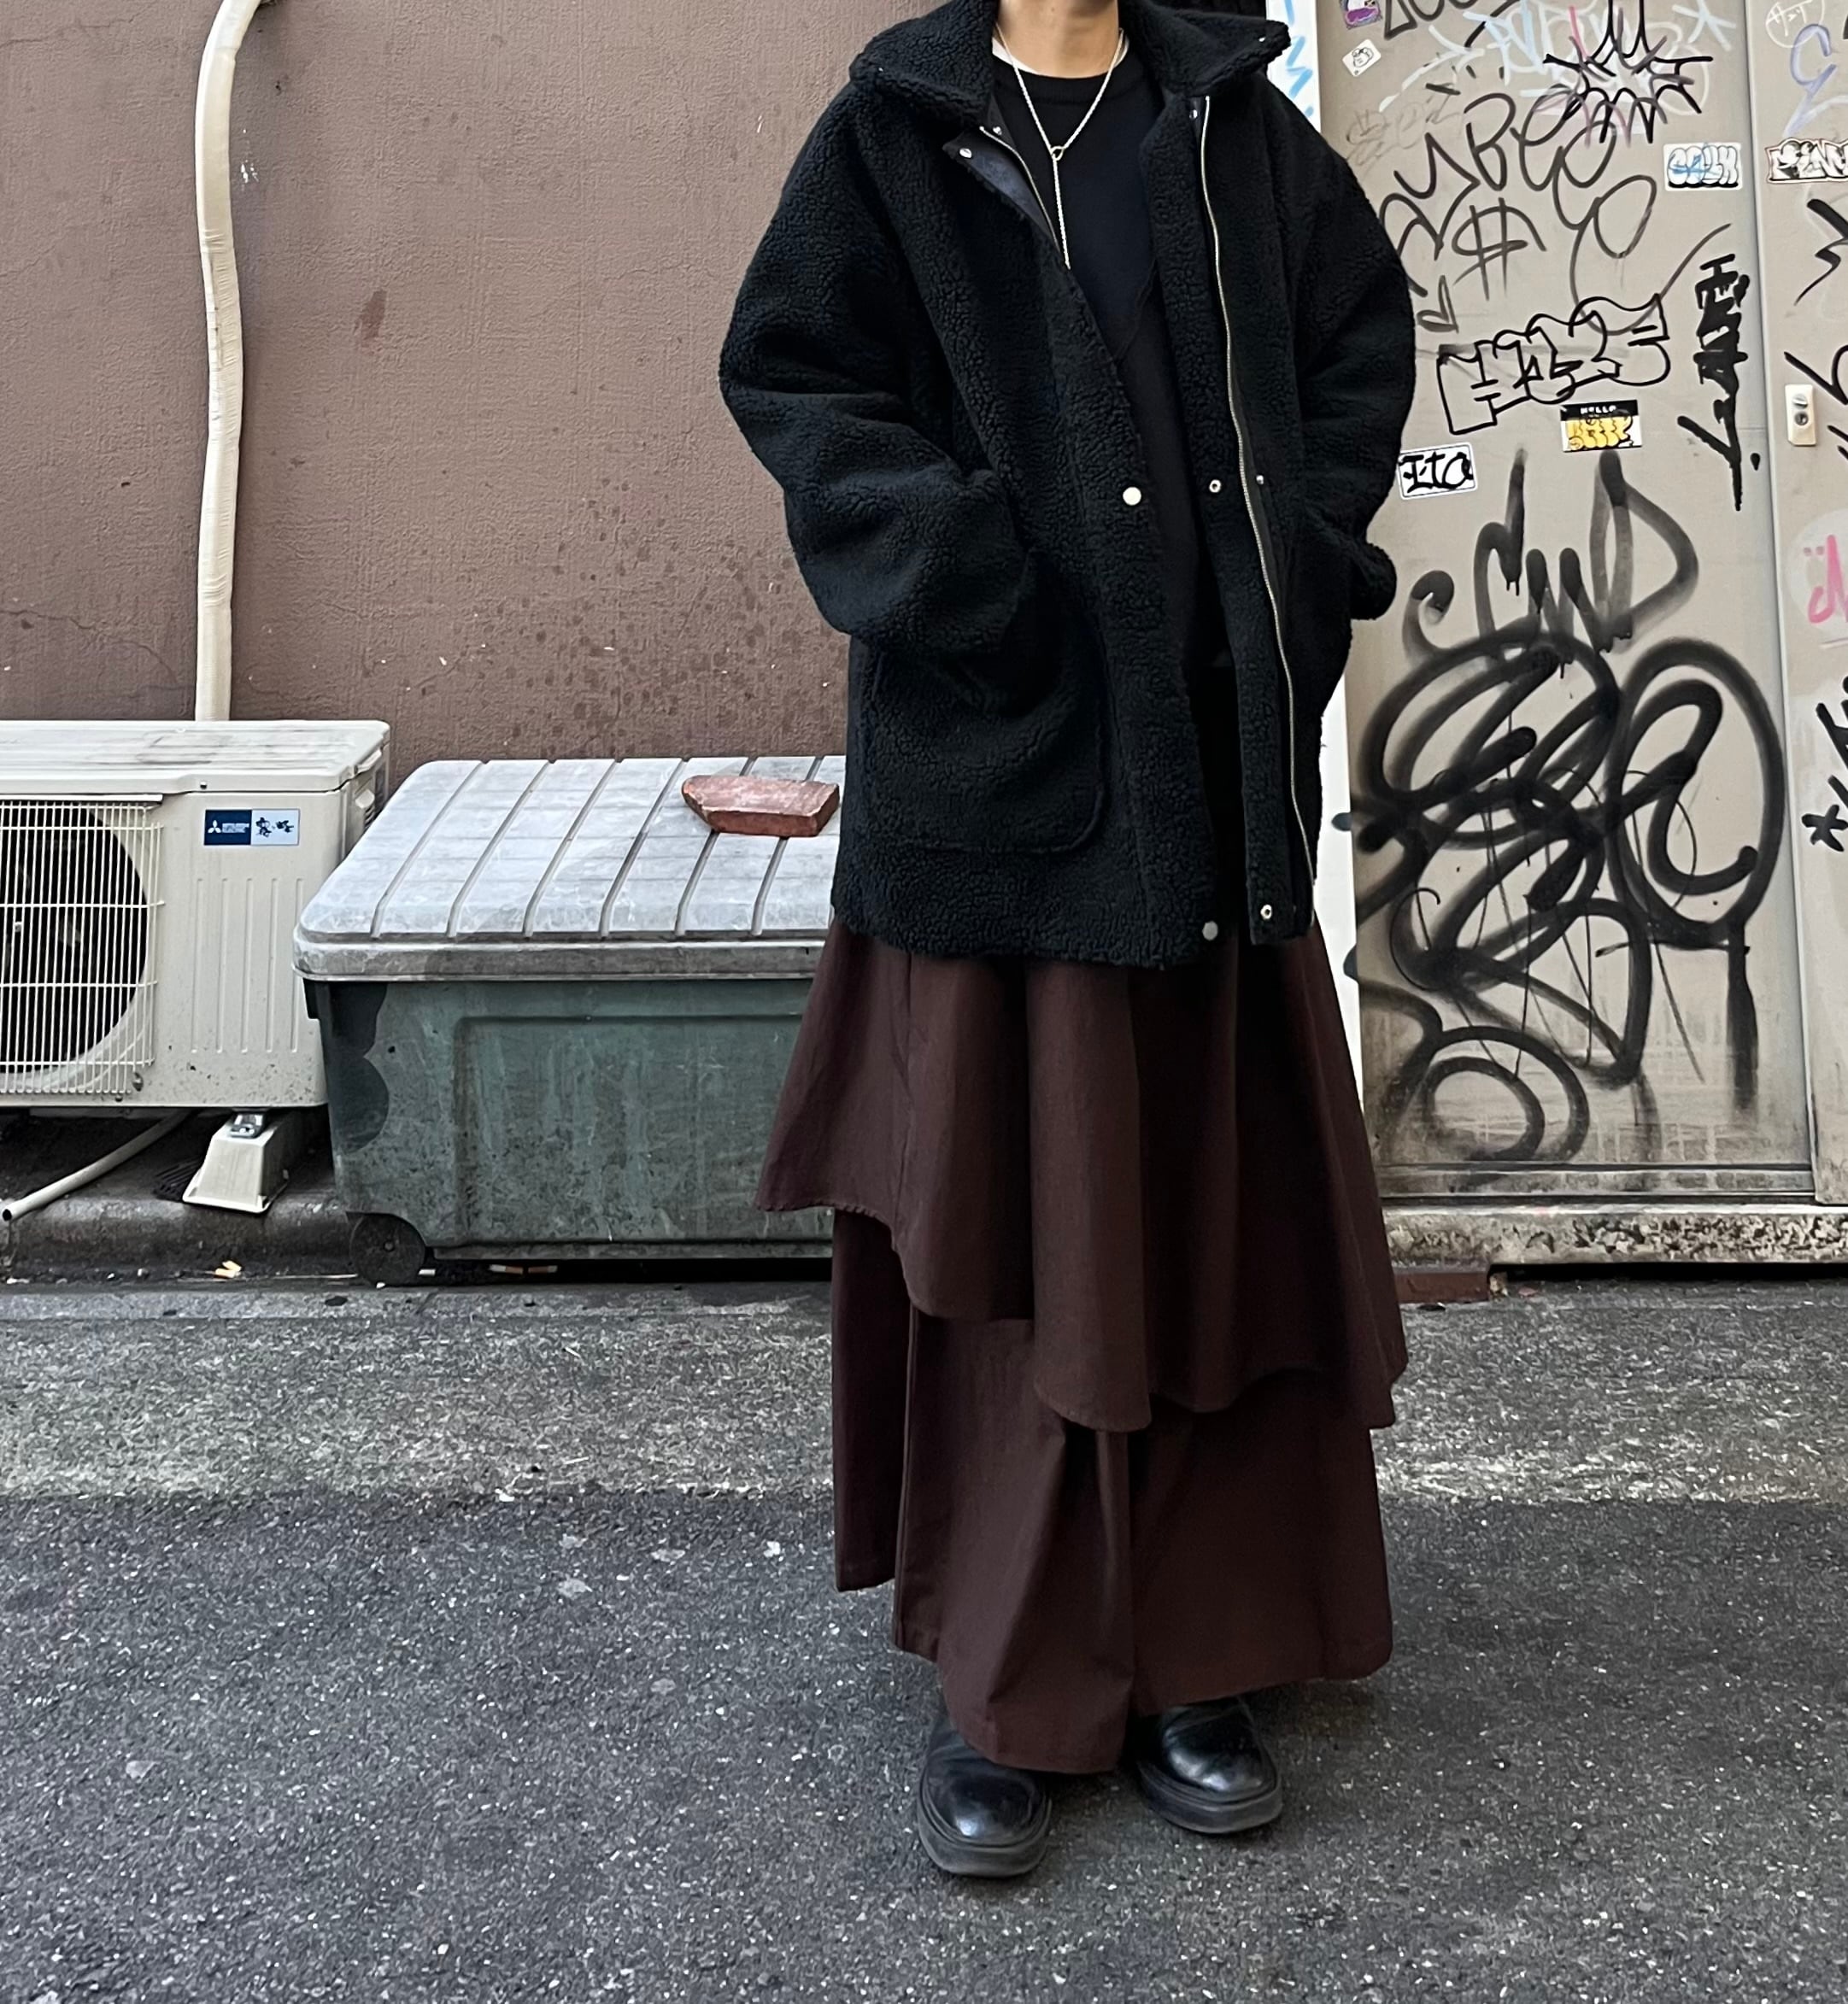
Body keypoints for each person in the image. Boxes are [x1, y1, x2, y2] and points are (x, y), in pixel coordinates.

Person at [719, 0, 1415, 1878]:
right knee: (1017, 1244)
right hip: (998, 786)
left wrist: (1303, 552)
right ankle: (1008, 1684)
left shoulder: (1227, 115)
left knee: (1205, 1227)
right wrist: (965, 576)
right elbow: (795, 376)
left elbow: (1358, 334)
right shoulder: (898, 130)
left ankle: (1204, 1660)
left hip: (1210, 784)